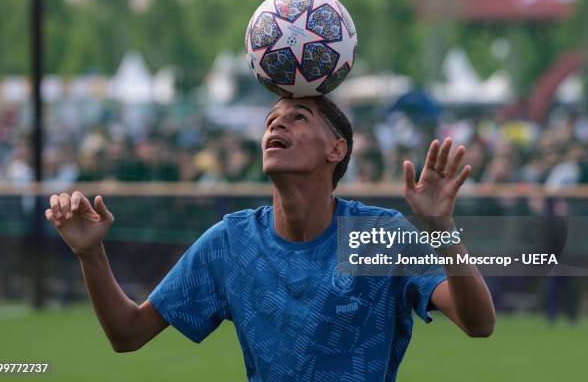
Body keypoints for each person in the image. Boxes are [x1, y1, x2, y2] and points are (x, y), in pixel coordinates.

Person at [46, 96, 495, 381]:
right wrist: (91, 254)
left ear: (335, 150)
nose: (276, 126)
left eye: (298, 118)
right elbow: (128, 334)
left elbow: (479, 323)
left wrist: (440, 230)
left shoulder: (378, 236)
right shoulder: (230, 241)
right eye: (271, 120)